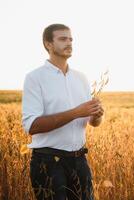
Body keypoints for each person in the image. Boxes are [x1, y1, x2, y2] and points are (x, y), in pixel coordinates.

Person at [22, 23, 103, 200]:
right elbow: (32, 126)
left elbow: (92, 123)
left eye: (71, 39)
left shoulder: (81, 78)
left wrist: (97, 115)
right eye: (63, 39)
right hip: (49, 163)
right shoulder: (35, 78)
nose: (69, 43)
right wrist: (75, 112)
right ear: (48, 44)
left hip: (80, 161)